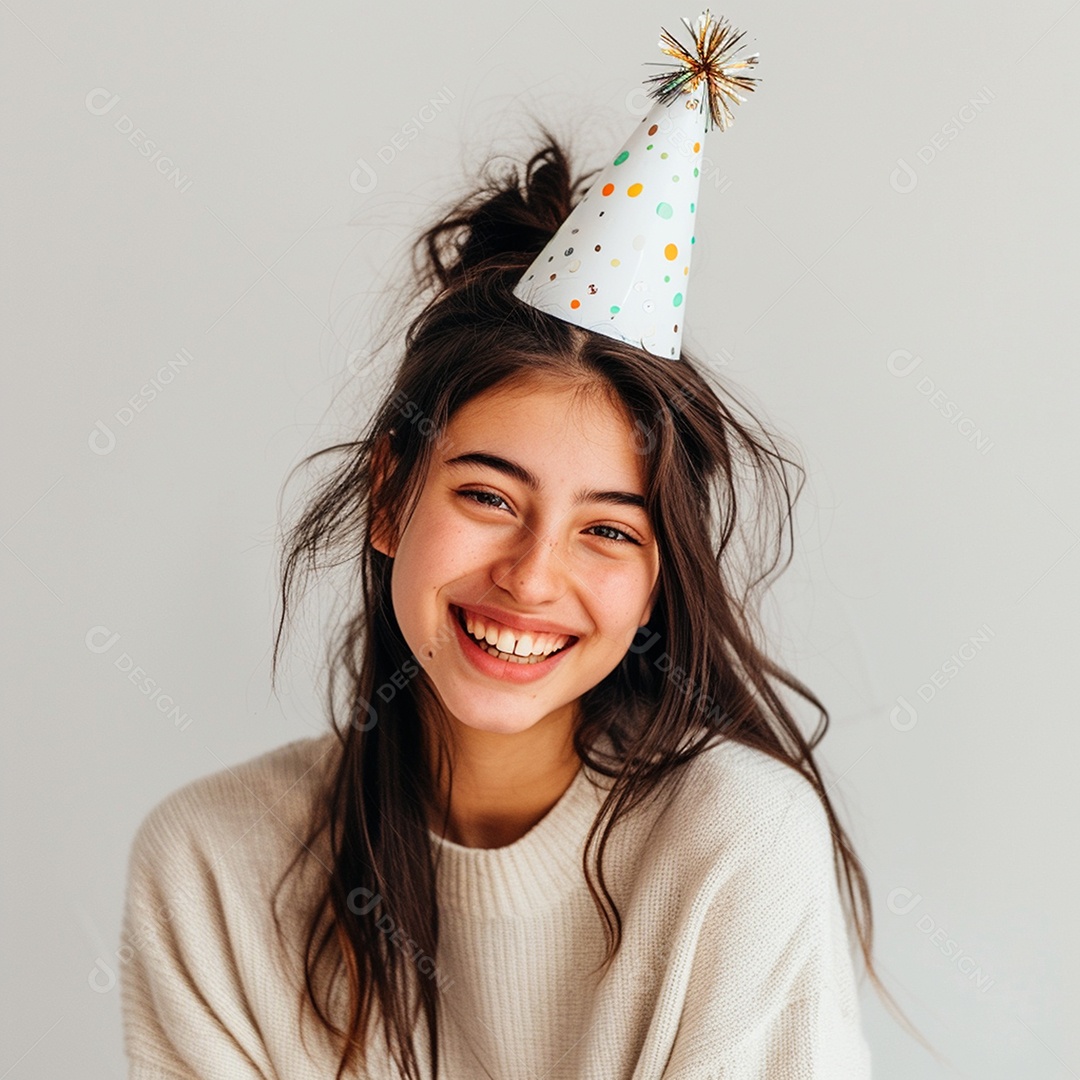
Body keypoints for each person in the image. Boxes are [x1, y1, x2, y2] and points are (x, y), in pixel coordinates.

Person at [118, 12, 904, 1079]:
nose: (533, 577)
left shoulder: (733, 848)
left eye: (607, 530)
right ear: (392, 497)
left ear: (654, 585)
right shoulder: (210, 869)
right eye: (490, 496)